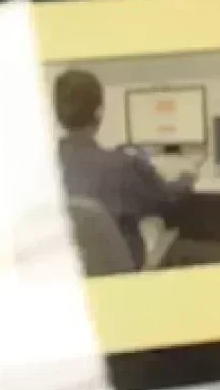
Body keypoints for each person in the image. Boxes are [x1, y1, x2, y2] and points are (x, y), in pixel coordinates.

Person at [52, 68, 196, 270]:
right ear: (99, 112)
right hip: (122, 271)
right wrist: (188, 176)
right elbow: (168, 198)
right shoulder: (123, 166)